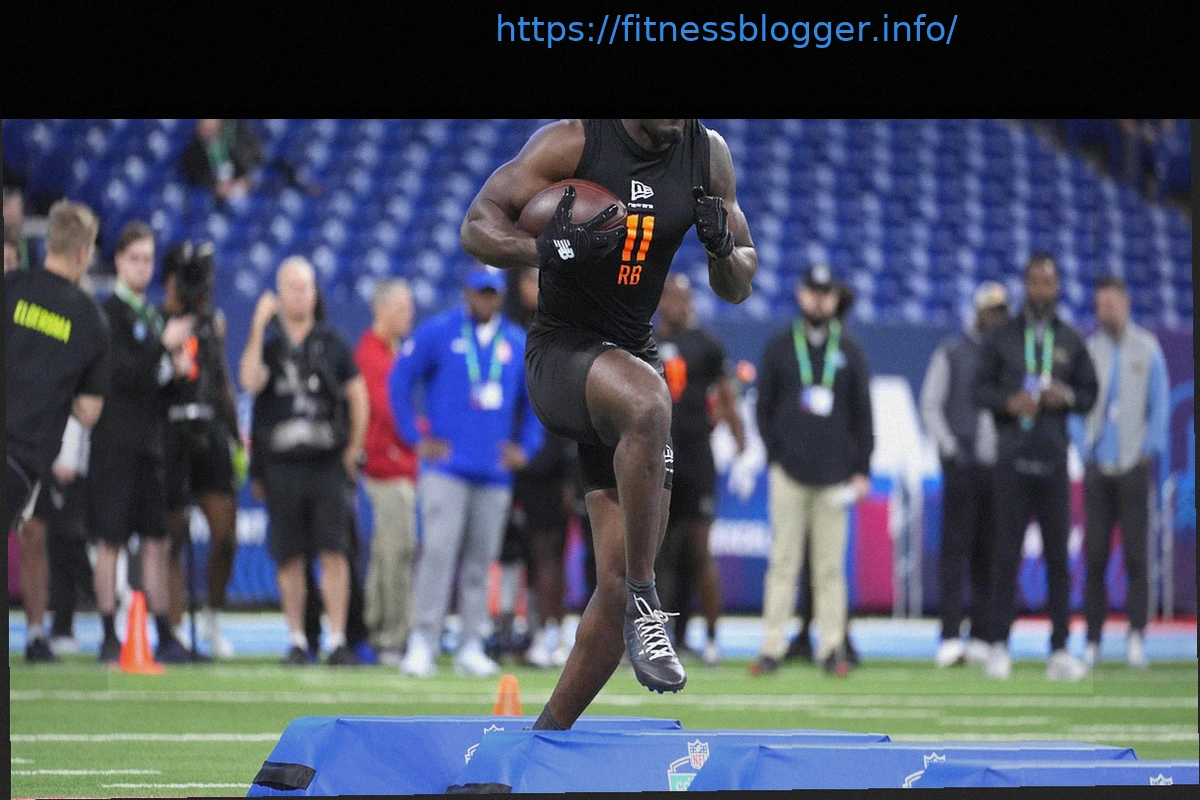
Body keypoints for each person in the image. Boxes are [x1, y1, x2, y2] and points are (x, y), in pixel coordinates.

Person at [461, 118, 756, 728]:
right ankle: (650, 606)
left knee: (616, 580)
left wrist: (722, 248)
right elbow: (478, 225)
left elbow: (739, 284)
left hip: (631, 360)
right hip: (562, 353)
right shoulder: (575, 141)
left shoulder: (707, 154)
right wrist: (544, 250)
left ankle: (544, 740)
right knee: (650, 401)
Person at [390, 266, 543, 678]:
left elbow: (536, 401)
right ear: (466, 292)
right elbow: (400, 379)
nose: (485, 300)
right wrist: (414, 436)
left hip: (493, 473)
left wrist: (526, 447)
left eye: (492, 293)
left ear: (501, 296)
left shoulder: (515, 341)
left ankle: (471, 643)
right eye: (479, 292)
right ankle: (423, 640)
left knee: (481, 562)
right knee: (437, 556)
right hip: (446, 469)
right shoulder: (439, 332)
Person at [973, 254, 1099, 681]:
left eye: (1048, 282)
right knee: (1004, 555)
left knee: (1058, 558)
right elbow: (979, 389)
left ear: (1058, 287)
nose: (1041, 289)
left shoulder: (1071, 339)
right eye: (1035, 281)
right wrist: (1008, 402)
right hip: (1011, 459)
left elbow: (1090, 392)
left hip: (1053, 460)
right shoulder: (1003, 335)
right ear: (1025, 285)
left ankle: (1060, 648)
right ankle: (999, 645)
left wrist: (1067, 397)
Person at [239, 256, 369, 666]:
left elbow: (358, 396)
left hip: (327, 461)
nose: (300, 295)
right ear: (279, 295)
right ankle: (297, 638)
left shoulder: (332, 342)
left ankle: (336, 639)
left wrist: (351, 451)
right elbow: (250, 381)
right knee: (289, 554)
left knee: (334, 551)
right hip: (282, 464)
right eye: (292, 288)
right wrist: (258, 325)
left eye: (306, 286)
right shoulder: (270, 345)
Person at [751, 265, 873, 677]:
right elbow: (763, 408)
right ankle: (772, 646)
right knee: (783, 563)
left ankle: (832, 648)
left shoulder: (850, 349)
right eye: (813, 292)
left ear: (835, 298)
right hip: (789, 473)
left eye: (826, 293)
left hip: (835, 477)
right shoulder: (781, 346)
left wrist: (861, 469)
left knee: (830, 569)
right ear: (801, 295)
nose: (819, 301)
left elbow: (863, 415)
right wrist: (776, 455)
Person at [87, 221, 198, 664]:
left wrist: (177, 369)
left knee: (156, 540)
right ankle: (108, 633)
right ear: (118, 261)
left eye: (148, 259)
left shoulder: (151, 315)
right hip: (114, 440)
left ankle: (164, 632)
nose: (142, 267)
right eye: (134, 258)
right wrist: (161, 346)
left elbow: (156, 383)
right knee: (110, 541)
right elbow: (120, 375)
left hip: (152, 442)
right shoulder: (107, 313)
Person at [1075, 276, 1170, 670]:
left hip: (1133, 466)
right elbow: (1075, 404)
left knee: (1136, 557)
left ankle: (1136, 638)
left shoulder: (1147, 348)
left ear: (1126, 303)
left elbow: (1160, 404)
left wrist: (1149, 450)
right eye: (1100, 305)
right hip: (1099, 466)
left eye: (1111, 304)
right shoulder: (1089, 350)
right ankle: (1093, 640)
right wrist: (1083, 447)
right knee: (1095, 556)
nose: (1106, 311)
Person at [653, 273, 744, 667]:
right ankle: (662, 637)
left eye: (681, 297)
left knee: (699, 551)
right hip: (657, 456)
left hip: (695, 458)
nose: (675, 304)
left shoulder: (705, 343)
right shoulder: (645, 340)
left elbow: (726, 395)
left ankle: (710, 638)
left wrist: (738, 441)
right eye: (669, 296)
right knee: (660, 554)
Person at [158, 241, 242, 659]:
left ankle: (211, 615)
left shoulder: (212, 322)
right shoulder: (156, 321)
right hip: (170, 428)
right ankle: (174, 627)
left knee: (225, 533)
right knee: (173, 534)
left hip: (209, 427)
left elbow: (221, 378)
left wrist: (236, 433)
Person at [920, 281, 1010, 668]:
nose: (996, 318)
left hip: (996, 467)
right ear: (977, 312)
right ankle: (950, 635)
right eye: (991, 311)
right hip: (962, 465)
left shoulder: (1008, 356)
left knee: (989, 553)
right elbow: (930, 405)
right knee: (955, 553)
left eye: (1001, 312)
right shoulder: (953, 351)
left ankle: (983, 635)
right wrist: (950, 448)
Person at [354, 278, 419, 666]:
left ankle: (380, 628)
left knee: (387, 552)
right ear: (380, 310)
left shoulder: (392, 351)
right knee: (397, 551)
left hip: (398, 466)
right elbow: (390, 412)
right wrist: (430, 433)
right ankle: (393, 635)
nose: (409, 315)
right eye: (401, 308)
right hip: (386, 468)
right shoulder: (372, 356)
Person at [180, 119, 263, 201]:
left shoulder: (234, 143)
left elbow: (248, 162)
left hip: (236, 188)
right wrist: (215, 186)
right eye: (204, 123)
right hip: (210, 194)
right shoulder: (193, 152)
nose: (208, 126)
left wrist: (242, 180)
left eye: (212, 122)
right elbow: (195, 175)